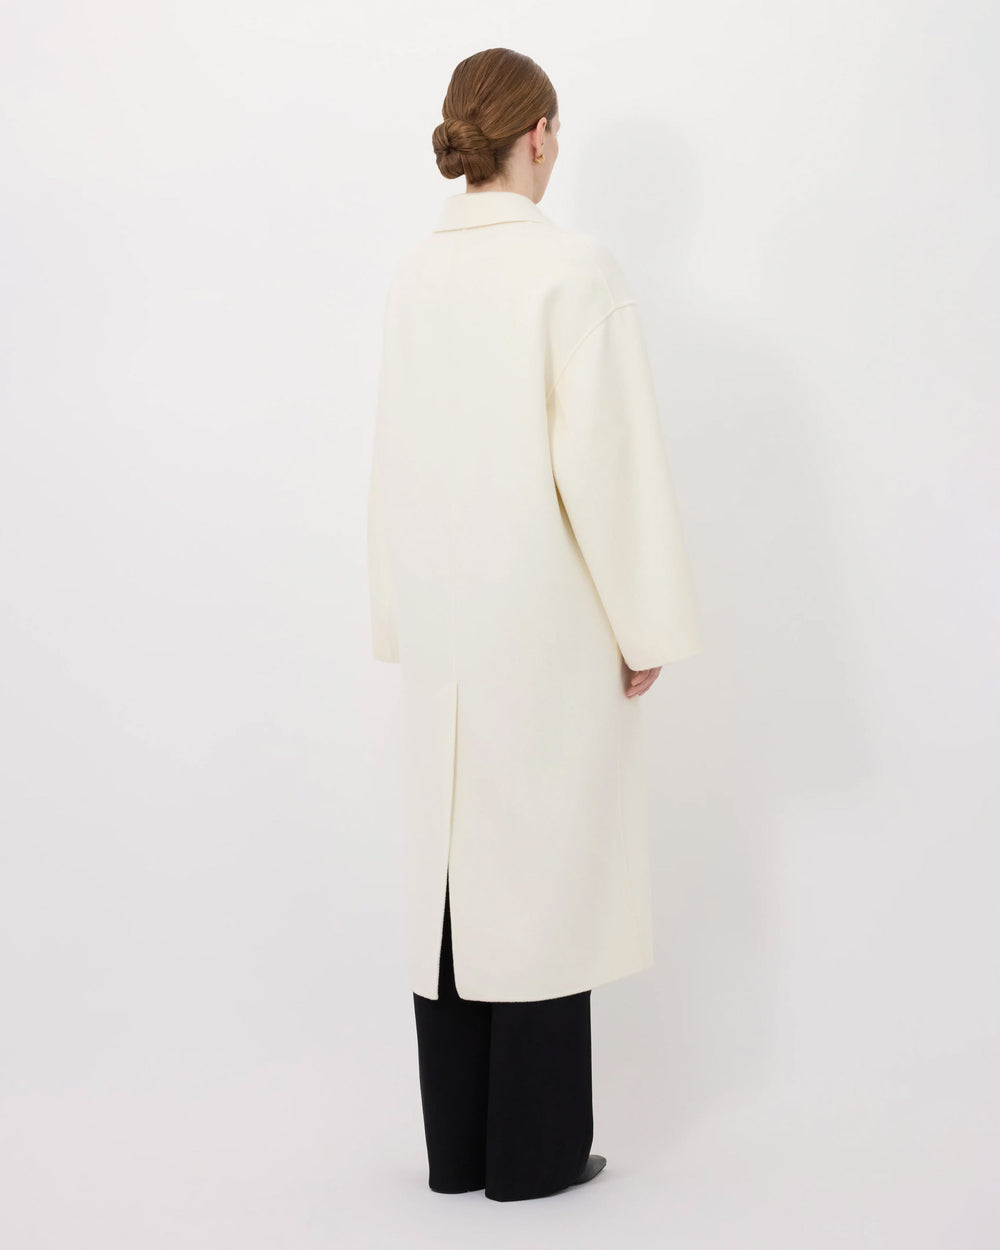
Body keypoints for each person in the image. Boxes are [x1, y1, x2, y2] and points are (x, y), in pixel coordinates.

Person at [366, 48, 702, 1202]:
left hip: (444, 621)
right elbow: (608, 463)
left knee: (453, 874)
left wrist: (397, 611)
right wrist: (644, 621)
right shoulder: (570, 269)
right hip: (543, 618)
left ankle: (458, 1149)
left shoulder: (414, 273)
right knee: (547, 871)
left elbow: (390, 455)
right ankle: (537, 1153)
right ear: (540, 135)